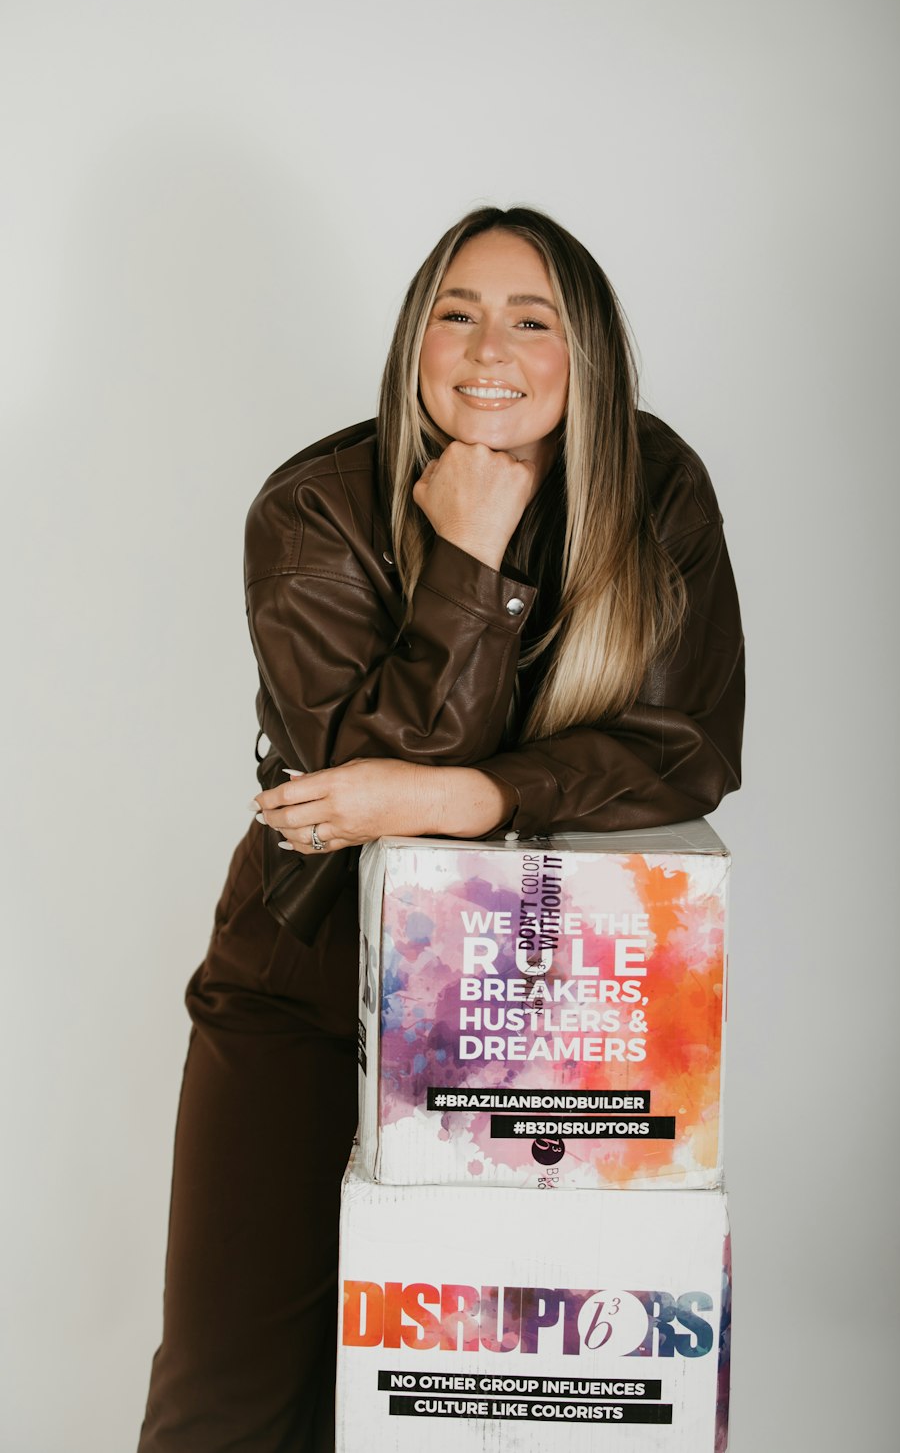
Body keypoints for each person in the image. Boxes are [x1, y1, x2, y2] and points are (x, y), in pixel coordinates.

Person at [137, 206, 744, 1451]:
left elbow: (690, 746)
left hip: (539, 1011)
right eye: (456, 314)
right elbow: (356, 781)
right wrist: (465, 554)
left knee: (465, 1393)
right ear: (415, 341)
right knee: (234, 1386)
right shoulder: (312, 510)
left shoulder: (658, 485)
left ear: (589, 354)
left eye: (533, 320)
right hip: (300, 982)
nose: (488, 350)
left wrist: (475, 798)